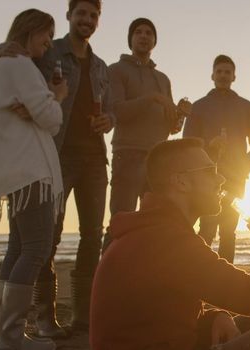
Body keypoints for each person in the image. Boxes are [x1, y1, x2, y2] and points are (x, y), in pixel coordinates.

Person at [89, 138, 250, 350]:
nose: (221, 178)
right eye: (210, 170)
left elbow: (161, 317)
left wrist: (214, 317)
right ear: (181, 183)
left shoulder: (155, 232)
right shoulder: (168, 242)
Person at [0, 0, 114, 336]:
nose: (87, 20)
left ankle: (83, 317)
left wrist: (107, 119)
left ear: (99, 21)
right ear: (69, 15)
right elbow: (2, 66)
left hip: (95, 160)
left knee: (91, 238)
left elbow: (110, 107)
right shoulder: (46, 51)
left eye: (94, 15)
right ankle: (44, 319)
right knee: (45, 241)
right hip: (55, 155)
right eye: (81, 13)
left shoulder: (100, 65)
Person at [0, 8, 67, 349]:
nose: (48, 44)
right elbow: (51, 118)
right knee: (36, 248)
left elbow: (37, 112)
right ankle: (12, 338)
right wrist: (55, 98)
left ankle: (8, 336)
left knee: (18, 247)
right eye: (46, 36)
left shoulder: (7, 64)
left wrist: (40, 104)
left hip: (17, 171)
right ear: (30, 31)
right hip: (31, 170)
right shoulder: (19, 64)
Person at [103, 17, 191, 250]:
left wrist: (180, 114)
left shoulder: (163, 79)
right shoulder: (116, 70)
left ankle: (146, 280)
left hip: (159, 160)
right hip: (128, 155)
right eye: (138, 32)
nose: (144, 36)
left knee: (158, 223)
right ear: (130, 39)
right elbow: (117, 111)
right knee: (121, 222)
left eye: (149, 33)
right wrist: (152, 98)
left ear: (155, 41)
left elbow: (172, 128)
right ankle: (107, 281)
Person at [183, 54, 250, 263]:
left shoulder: (245, 106)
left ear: (234, 76)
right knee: (207, 228)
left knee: (229, 230)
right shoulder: (199, 106)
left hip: (237, 177)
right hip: (207, 176)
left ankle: (226, 284)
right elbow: (188, 143)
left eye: (227, 72)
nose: (223, 75)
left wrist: (246, 164)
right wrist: (209, 144)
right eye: (219, 71)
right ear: (212, 75)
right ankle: (199, 278)